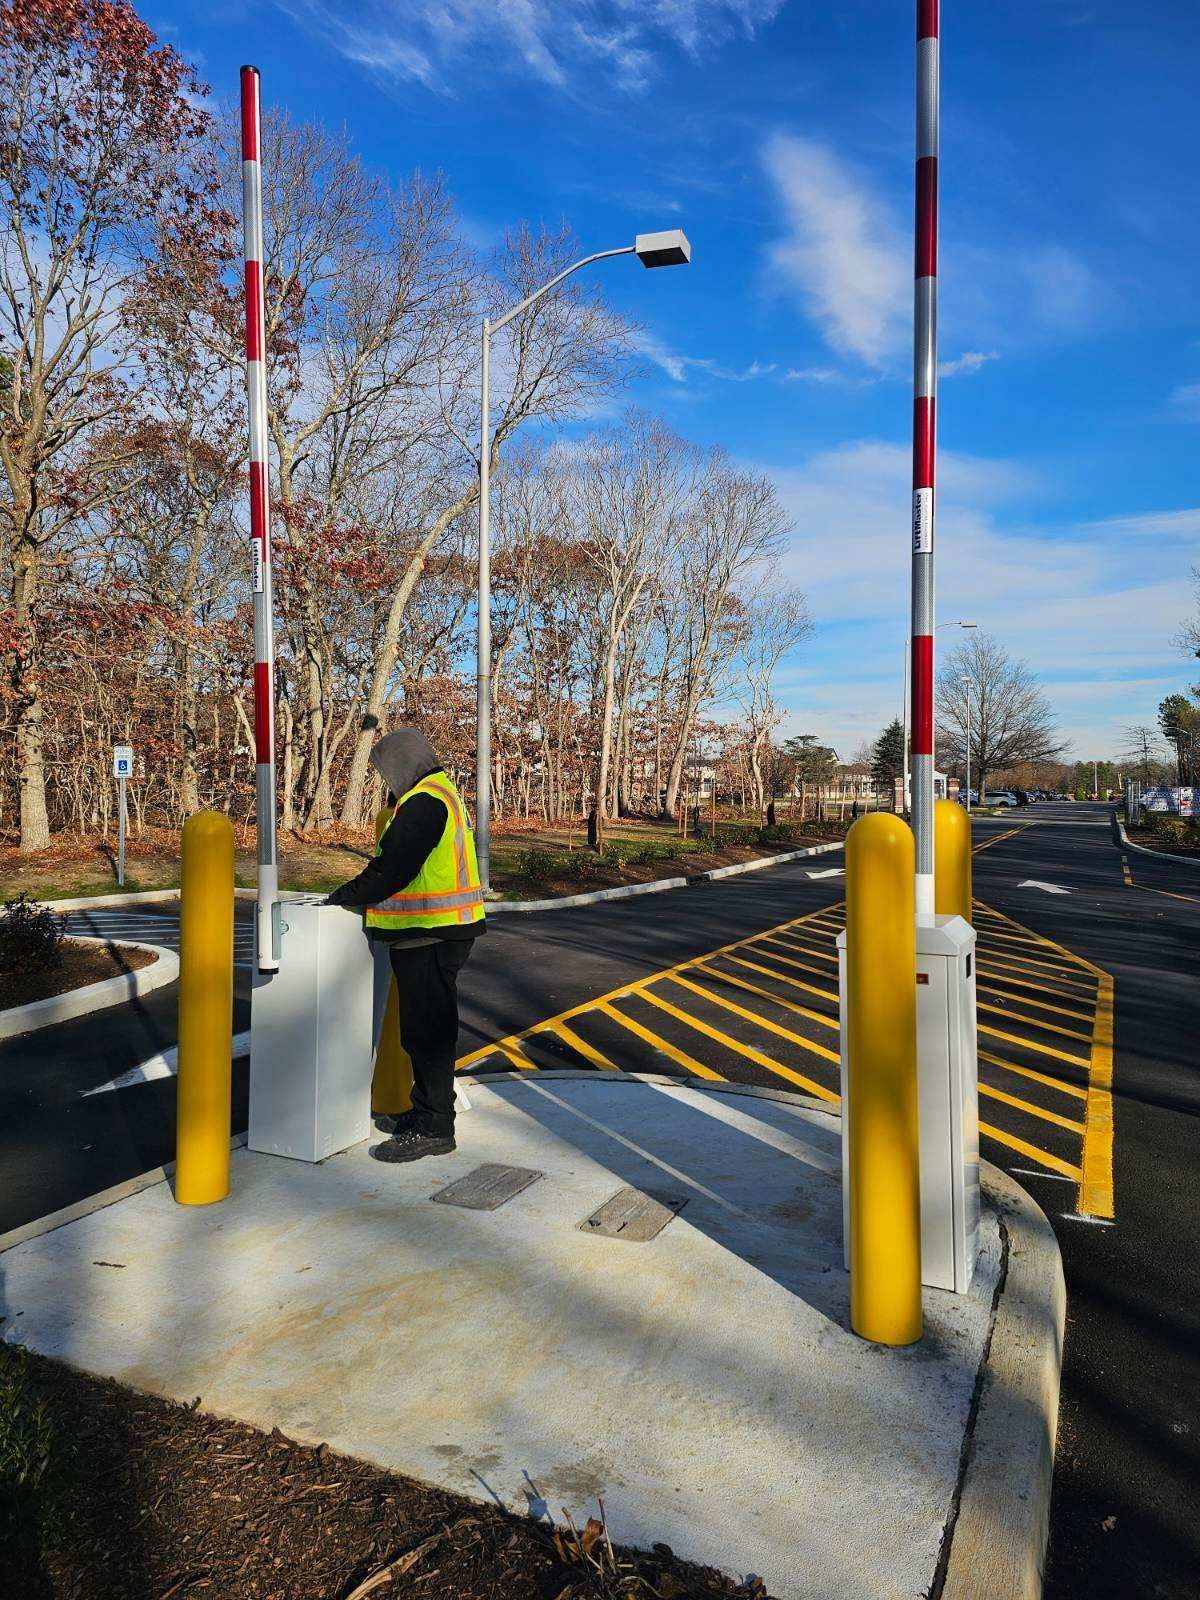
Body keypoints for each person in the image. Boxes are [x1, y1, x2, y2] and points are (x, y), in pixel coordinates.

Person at [326, 728, 485, 1164]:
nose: (385, 780)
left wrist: (342, 896)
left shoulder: (423, 802)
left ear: (401, 764)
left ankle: (435, 1127)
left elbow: (394, 867)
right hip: (439, 930)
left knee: (427, 1035)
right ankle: (425, 1114)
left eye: (385, 771)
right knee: (422, 1032)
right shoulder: (440, 792)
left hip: (430, 932)